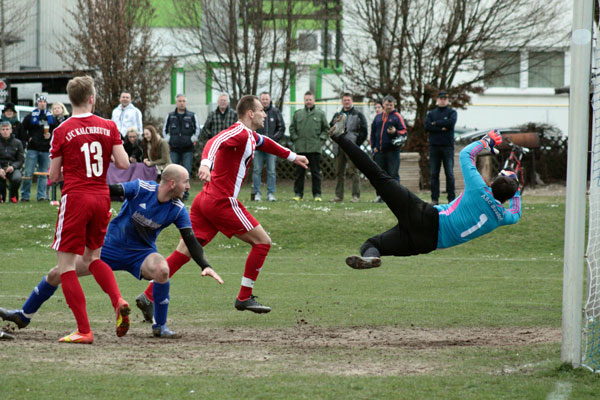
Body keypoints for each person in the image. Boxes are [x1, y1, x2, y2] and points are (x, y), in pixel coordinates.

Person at [134, 95, 309, 319]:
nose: (265, 114)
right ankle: (245, 296)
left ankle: (148, 295)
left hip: (204, 201)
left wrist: (293, 156)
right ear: (250, 114)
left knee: (184, 252)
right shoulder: (239, 132)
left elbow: (267, 143)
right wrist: (206, 164)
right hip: (221, 201)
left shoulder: (251, 136)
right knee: (263, 242)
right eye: (261, 110)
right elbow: (213, 142)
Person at [0, 165, 223, 339]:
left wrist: (206, 266)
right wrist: (83, 191)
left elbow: (190, 239)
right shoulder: (141, 188)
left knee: (162, 269)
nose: (188, 187)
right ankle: (23, 315)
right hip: (106, 249)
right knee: (55, 274)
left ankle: (160, 326)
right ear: (172, 183)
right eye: (185, 182)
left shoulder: (177, 209)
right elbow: (111, 190)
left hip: (141, 254)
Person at [328, 121, 521, 269]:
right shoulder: (502, 217)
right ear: (506, 199)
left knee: (378, 176)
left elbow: (466, 154)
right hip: (427, 243)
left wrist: (486, 141)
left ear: (491, 183)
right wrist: (516, 189)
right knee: (372, 244)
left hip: (427, 218)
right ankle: (371, 257)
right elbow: (516, 213)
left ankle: (340, 137)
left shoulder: (479, 188)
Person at [42, 75, 130, 343]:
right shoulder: (109, 125)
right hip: (101, 196)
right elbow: (124, 163)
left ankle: (84, 330)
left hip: (76, 197)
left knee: (66, 266)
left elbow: (54, 175)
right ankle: (117, 300)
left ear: (71, 100)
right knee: (93, 259)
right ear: (92, 98)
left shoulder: (61, 130)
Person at [289, 91, 329, 201]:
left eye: (310, 100)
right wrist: (296, 139)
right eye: (306, 100)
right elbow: (292, 128)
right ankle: (298, 194)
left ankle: (317, 195)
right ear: (304, 101)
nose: (308, 102)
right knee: (299, 173)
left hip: (315, 149)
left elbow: (326, 129)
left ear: (314, 100)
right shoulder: (298, 114)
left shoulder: (320, 114)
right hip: (301, 148)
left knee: (316, 173)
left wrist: (320, 140)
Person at [329, 93, 368, 203]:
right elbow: (331, 128)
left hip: (352, 147)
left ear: (352, 101)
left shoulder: (358, 114)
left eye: (348, 100)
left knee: (354, 171)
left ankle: (355, 196)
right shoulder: (337, 114)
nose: (346, 102)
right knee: (339, 172)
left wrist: (356, 144)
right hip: (338, 147)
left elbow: (364, 131)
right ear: (342, 102)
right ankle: (338, 196)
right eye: (345, 100)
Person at [369, 95, 408, 203]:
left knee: (393, 174)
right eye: (387, 104)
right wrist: (373, 148)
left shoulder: (397, 117)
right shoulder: (377, 117)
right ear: (383, 105)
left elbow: (404, 132)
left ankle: (395, 197)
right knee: (380, 175)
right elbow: (372, 134)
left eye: (391, 104)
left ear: (394, 104)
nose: (389, 106)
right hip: (379, 152)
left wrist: (395, 132)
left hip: (392, 151)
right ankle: (381, 196)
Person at [425, 91, 458, 205]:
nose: (443, 100)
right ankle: (434, 199)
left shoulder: (452, 112)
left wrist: (436, 124)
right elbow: (427, 126)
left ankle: (451, 199)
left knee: (449, 173)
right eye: (441, 98)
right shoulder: (431, 113)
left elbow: (450, 123)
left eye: (445, 99)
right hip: (434, 147)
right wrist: (441, 126)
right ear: (437, 100)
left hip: (447, 147)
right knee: (434, 174)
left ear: (447, 100)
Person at [20, 95, 55, 202]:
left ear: (46, 104)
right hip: (32, 148)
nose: (42, 103)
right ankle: (25, 196)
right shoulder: (30, 116)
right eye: (40, 101)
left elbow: (56, 131)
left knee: (44, 174)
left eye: (44, 102)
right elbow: (21, 130)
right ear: (37, 103)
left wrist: (50, 137)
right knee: (28, 173)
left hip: (45, 149)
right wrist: (28, 139)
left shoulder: (51, 117)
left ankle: (41, 196)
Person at [252, 92, 285, 202]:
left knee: (271, 171)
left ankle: (270, 193)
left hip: (271, 148)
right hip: (257, 147)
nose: (265, 101)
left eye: (266, 99)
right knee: (257, 170)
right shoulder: (255, 113)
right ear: (260, 101)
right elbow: (251, 127)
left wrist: (273, 141)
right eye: (263, 99)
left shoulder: (275, 112)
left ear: (270, 100)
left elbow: (281, 128)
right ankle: (257, 193)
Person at [163, 94, 200, 178]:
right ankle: (174, 190)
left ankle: (185, 191)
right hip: (174, 148)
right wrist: (168, 139)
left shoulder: (192, 116)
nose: (181, 103)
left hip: (188, 149)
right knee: (173, 171)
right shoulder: (170, 116)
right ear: (176, 102)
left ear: (186, 102)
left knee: (186, 171)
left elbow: (197, 130)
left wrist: (192, 140)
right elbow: (164, 129)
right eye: (180, 101)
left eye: (183, 101)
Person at [0, 121, 24, 203]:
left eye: (7, 129)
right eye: (3, 129)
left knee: (17, 178)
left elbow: (21, 159)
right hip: (0, 166)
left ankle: (13, 195)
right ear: (0, 131)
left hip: (12, 167)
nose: (5, 131)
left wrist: (13, 167)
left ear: (11, 130)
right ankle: (1, 197)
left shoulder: (17, 143)